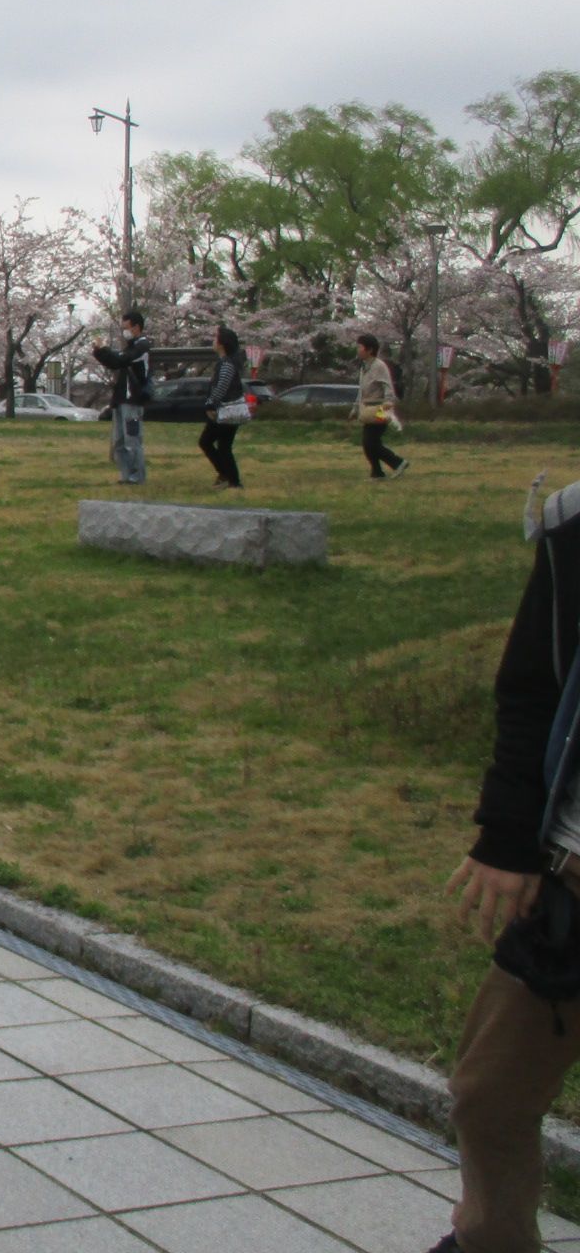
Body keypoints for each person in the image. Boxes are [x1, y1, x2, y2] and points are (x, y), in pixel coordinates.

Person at [422, 476, 580, 1253]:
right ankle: (492, 1240)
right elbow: (532, 689)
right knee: (488, 1093)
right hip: (572, 877)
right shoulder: (576, 524)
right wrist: (509, 838)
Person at [93, 310, 152, 486]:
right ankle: (126, 475)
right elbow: (113, 362)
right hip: (120, 400)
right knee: (119, 442)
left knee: (132, 440)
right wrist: (99, 352)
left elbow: (122, 359)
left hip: (133, 400)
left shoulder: (142, 347)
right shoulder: (131, 346)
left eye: (126, 327)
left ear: (136, 327)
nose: (124, 331)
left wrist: (105, 349)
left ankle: (137, 477)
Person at [353, 333, 410, 481]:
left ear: (369, 350)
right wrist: (355, 408)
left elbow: (387, 386)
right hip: (367, 409)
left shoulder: (379, 366)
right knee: (370, 443)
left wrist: (389, 402)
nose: (357, 350)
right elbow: (361, 390)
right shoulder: (364, 367)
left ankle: (397, 462)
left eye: (360, 347)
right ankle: (377, 472)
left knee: (370, 442)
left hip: (379, 408)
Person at [199, 327, 245, 492]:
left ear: (222, 344)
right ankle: (232, 480)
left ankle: (228, 477)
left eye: (215, 338)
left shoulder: (226, 364)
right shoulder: (230, 362)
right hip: (230, 410)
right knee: (224, 446)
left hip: (225, 410)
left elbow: (221, 387)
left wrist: (210, 403)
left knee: (206, 441)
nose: (213, 341)